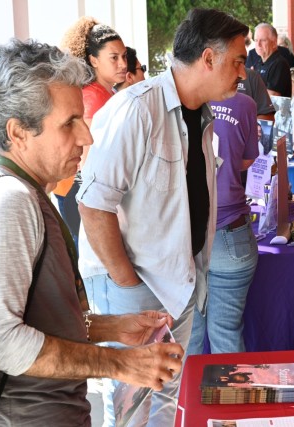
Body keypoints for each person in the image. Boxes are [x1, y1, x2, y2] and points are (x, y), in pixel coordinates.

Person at [0, 38, 183, 426]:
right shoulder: (9, 201)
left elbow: (36, 319)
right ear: (18, 132)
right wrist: (119, 363)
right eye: (70, 122)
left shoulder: (27, 193)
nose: (86, 137)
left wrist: (111, 326)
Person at [77, 8, 248, 426]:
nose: (243, 73)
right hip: (137, 286)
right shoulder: (136, 109)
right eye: (238, 61)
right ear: (208, 58)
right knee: (133, 409)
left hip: (183, 280)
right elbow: (93, 202)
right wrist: (127, 282)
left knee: (170, 395)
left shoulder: (203, 115)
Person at [187, 92, 259, 356]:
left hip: (188, 235)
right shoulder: (244, 104)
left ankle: (187, 398)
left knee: (189, 336)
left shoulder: (179, 100)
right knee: (226, 331)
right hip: (231, 232)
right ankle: (231, 395)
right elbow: (248, 159)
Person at [53, 17, 127, 244]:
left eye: (124, 57)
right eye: (114, 58)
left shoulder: (105, 93)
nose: (123, 64)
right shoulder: (94, 96)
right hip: (80, 191)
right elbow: (87, 160)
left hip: (81, 190)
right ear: (94, 60)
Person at [251, 23, 291, 97]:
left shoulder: (279, 63)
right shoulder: (258, 63)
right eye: (256, 40)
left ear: (274, 43)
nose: (258, 44)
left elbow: (272, 96)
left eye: (263, 40)